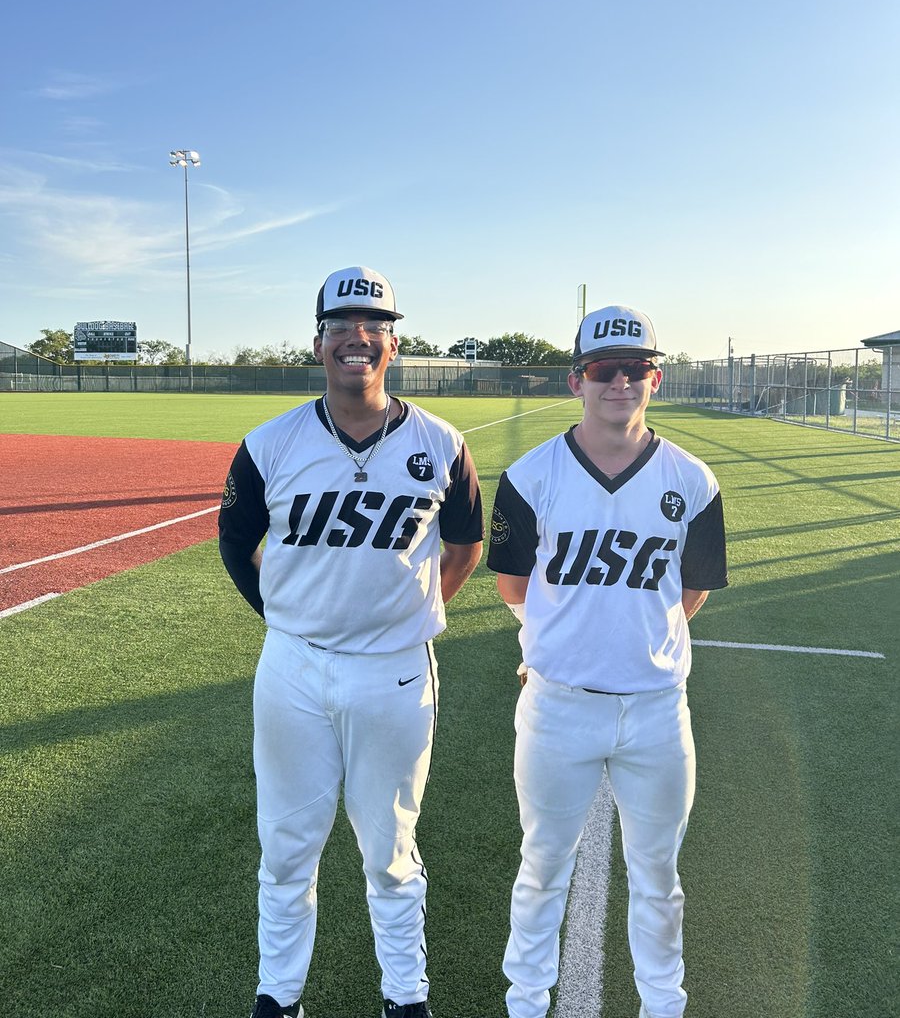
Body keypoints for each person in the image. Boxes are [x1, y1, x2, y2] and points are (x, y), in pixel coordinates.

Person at [219, 266, 484, 1018]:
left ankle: (405, 997)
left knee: (390, 851)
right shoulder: (269, 443)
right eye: (339, 327)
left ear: (392, 344)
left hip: (396, 672)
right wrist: (285, 619)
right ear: (318, 343)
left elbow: (463, 546)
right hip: (293, 671)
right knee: (286, 847)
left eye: (371, 327)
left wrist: (407, 614)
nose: (355, 340)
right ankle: (279, 995)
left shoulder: (440, 441)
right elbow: (237, 543)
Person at [487, 304, 728, 1018]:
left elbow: (689, 591)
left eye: (635, 369)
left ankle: (663, 1006)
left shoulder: (694, 480)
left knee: (658, 876)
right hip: (558, 707)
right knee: (541, 870)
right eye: (603, 370)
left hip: (655, 713)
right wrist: (562, 644)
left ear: (655, 378)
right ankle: (526, 1003)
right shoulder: (533, 476)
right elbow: (513, 584)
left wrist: (630, 640)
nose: (619, 383)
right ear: (576, 380)